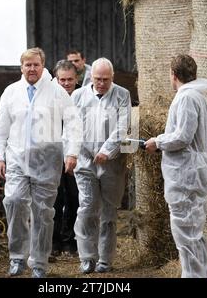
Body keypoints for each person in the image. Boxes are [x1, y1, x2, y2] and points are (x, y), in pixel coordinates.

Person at [0, 48, 82, 278]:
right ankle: (18, 257)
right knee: (13, 202)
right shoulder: (11, 92)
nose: (32, 69)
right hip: (17, 159)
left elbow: (73, 123)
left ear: (43, 67)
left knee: (43, 212)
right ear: (21, 67)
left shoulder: (56, 92)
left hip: (47, 161)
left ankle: (39, 262)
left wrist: (72, 153)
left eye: (36, 65)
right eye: (27, 65)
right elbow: (0, 129)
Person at [145, 54, 207, 278]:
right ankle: (200, 274)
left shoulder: (186, 98)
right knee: (193, 230)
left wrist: (158, 142)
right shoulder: (199, 97)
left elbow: (183, 137)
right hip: (195, 167)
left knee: (186, 232)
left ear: (173, 75)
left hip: (187, 171)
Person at [72, 57, 131, 274]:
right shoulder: (78, 96)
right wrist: (72, 153)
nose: (101, 83)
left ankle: (105, 259)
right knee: (87, 208)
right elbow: (71, 126)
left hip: (112, 163)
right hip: (85, 160)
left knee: (109, 211)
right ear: (91, 76)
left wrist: (107, 151)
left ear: (112, 78)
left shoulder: (122, 94)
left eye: (106, 79)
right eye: (97, 79)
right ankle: (87, 257)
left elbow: (124, 126)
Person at [51, 60, 81, 257]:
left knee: (74, 197)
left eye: (70, 79)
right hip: (52, 154)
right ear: (56, 79)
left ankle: (69, 241)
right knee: (54, 199)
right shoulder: (48, 95)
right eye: (62, 79)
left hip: (74, 154)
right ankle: (53, 243)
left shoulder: (81, 95)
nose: (66, 83)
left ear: (76, 79)